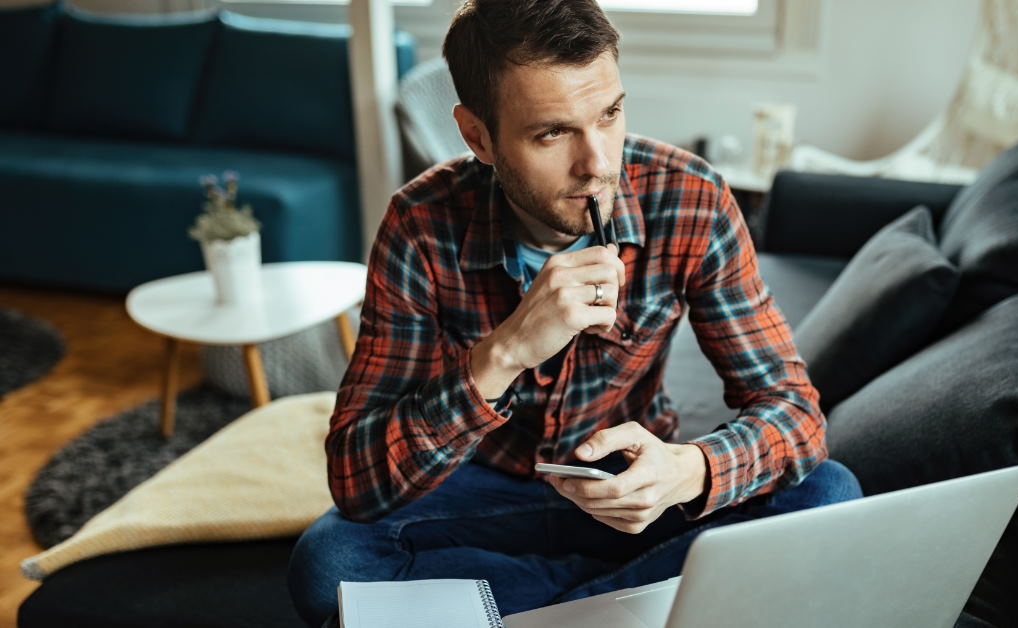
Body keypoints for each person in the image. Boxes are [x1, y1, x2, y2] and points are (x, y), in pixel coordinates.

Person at [288, 0, 862, 624]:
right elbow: (355, 481)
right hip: (487, 491)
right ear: (478, 135)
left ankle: (525, 607)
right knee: (330, 562)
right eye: (552, 133)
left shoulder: (691, 200)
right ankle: (624, 600)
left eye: (609, 114)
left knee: (830, 494)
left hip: (632, 492)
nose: (597, 164)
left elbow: (795, 414)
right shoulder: (420, 224)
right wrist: (503, 353)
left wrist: (687, 469)